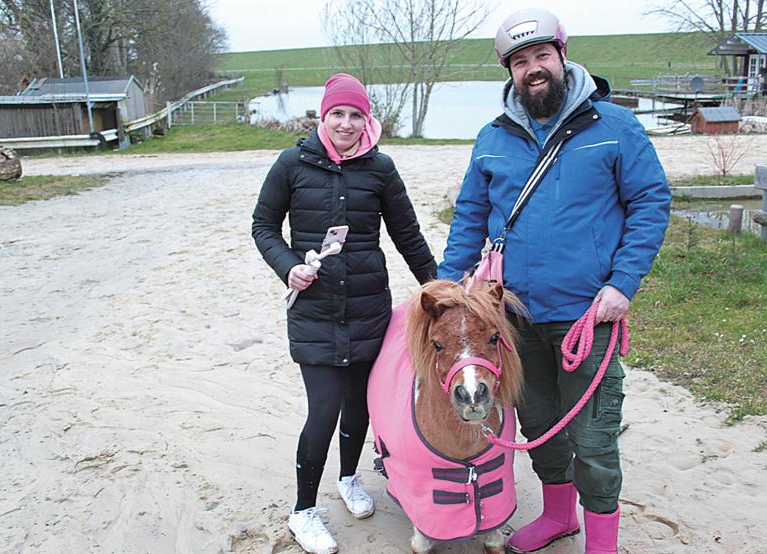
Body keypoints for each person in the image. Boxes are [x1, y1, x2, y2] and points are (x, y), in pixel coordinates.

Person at [437, 9, 671, 554]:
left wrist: (624, 281)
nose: (533, 68)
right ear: (510, 72)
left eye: (542, 55)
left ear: (563, 57)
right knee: (539, 424)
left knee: (592, 439)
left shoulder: (614, 127)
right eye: (520, 61)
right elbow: (470, 217)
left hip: (588, 315)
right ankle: (560, 516)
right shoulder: (492, 139)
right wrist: (447, 294)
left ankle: (602, 543)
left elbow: (651, 202)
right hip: (513, 319)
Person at [252, 73, 437, 554]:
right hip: (314, 313)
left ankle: (350, 477)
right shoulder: (292, 164)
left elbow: (408, 237)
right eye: (339, 113)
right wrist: (288, 266)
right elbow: (263, 226)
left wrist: (441, 293)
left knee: (360, 407)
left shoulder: (381, 169)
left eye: (357, 115)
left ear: (367, 119)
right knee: (325, 411)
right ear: (323, 115)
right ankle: (303, 511)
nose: (347, 124)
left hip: (368, 310)